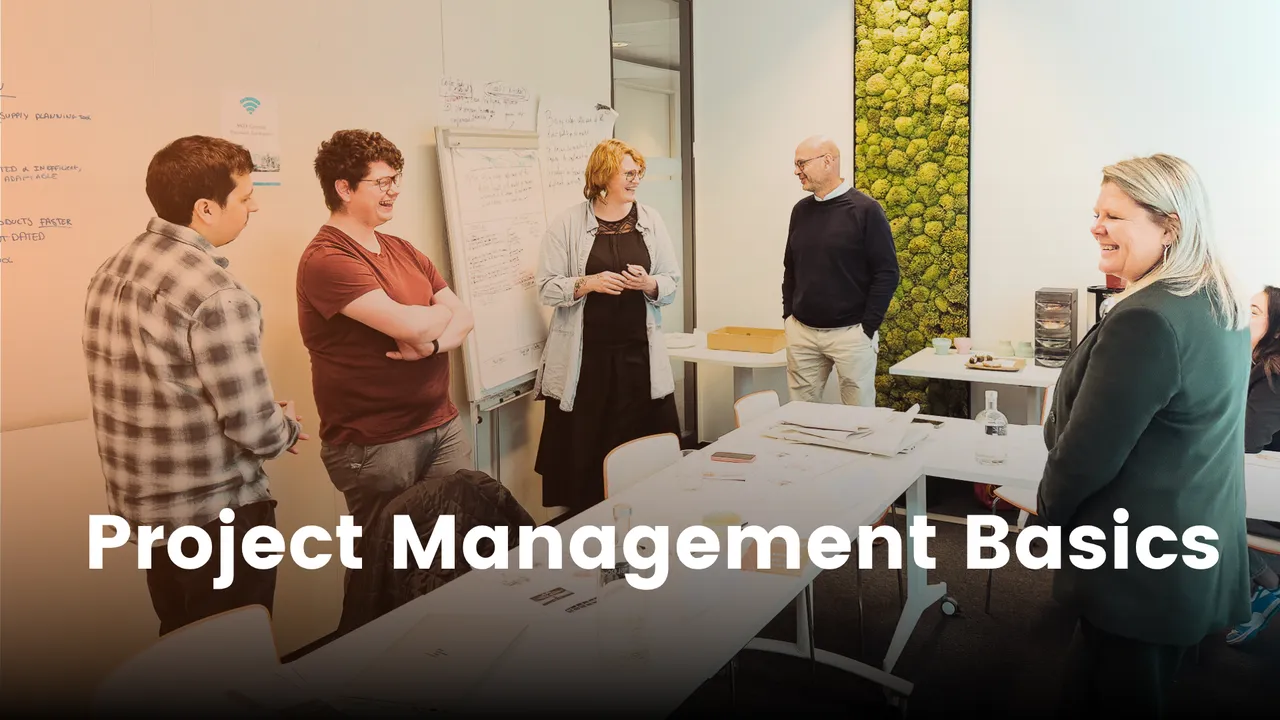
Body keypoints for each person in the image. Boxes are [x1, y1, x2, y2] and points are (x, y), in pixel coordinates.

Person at [1035, 154, 1251, 716]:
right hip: (1189, 550)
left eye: (1114, 215)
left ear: (1170, 226)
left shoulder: (1148, 318)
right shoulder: (1217, 300)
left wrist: (1049, 512)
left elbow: (1084, 456)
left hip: (1137, 570)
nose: (1096, 226)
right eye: (1096, 212)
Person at [82, 136, 306, 636]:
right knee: (234, 659)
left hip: (151, 516)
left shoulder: (113, 268)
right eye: (245, 197)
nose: (255, 205)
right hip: (217, 518)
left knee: (185, 647)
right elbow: (254, 428)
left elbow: (164, 386)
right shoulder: (217, 295)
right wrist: (285, 427)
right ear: (206, 209)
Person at [297, 129, 474, 538]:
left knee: (458, 552)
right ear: (343, 188)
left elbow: (462, 317)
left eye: (395, 180)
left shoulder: (402, 248)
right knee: (387, 570)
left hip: (441, 425)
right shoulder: (327, 259)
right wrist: (428, 319)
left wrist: (428, 344)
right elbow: (409, 324)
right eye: (381, 182)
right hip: (375, 445)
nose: (393, 190)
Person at [533, 138, 681, 516]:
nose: (635, 181)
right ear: (603, 177)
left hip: (639, 360)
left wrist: (649, 284)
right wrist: (589, 283)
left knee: (644, 458)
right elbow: (546, 288)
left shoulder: (650, 220)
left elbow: (671, 282)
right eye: (628, 174)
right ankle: (586, 539)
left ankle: (646, 529)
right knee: (584, 460)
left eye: (638, 174)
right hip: (586, 366)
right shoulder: (567, 224)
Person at [782, 135, 900, 407]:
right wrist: (789, 317)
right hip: (803, 333)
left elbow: (887, 272)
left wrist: (867, 328)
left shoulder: (866, 210)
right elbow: (791, 268)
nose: (796, 171)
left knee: (859, 421)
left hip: (851, 334)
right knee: (801, 417)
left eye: (802, 163)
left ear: (828, 161)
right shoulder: (800, 211)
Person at [1226, 285, 1280, 644]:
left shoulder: (1275, 372)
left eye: (1256, 312)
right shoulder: (1250, 362)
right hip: (1256, 484)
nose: (1245, 317)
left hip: (1270, 499)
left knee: (1195, 505)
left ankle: (1267, 585)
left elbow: (1247, 438)